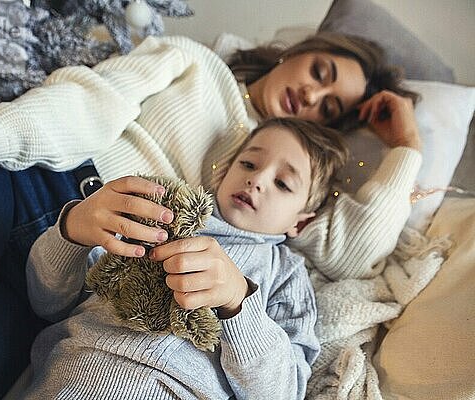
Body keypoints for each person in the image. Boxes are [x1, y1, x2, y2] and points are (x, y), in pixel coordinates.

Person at [0, 33, 422, 399]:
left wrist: (405, 145)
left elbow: (359, 250)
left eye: (330, 107)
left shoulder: (270, 214)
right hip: (28, 190)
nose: (312, 92)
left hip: (67, 284)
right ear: (293, 54)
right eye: (320, 71)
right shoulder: (196, 66)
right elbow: (81, 102)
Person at [23, 117, 348, 399]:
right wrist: (72, 229)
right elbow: (46, 302)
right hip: (75, 375)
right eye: (248, 164)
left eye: (282, 183)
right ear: (223, 173)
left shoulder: (285, 273)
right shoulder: (156, 212)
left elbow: (283, 392)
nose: (257, 180)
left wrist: (238, 301)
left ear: (300, 222)